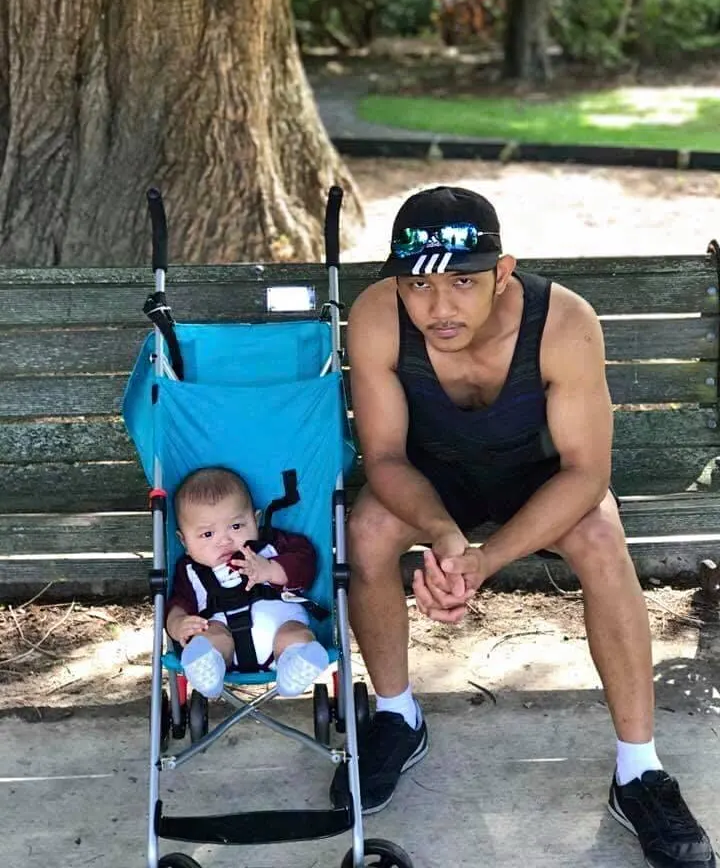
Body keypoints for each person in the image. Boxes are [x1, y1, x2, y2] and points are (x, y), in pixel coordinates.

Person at [330, 186, 716, 868]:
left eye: (462, 282)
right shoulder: (377, 317)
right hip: (434, 481)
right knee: (365, 529)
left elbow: (586, 474)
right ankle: (395, 716)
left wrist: (486, 559)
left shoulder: (563, 322)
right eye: (418, 284)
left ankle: (639, 771)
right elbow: (385, 458)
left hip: (539, 479)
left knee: (600, 535)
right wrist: (444, 534)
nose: (439, 307)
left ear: (502, 273)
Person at [166, 466, 329, 698]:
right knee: (209, 637)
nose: (224, 540)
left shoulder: (272, 546)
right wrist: (178, 624)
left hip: (282, 630)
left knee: (296, 634)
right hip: (224, 645)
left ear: (255, 520)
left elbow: (306, 563)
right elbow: (177, 604)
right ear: (184, 541)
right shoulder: (190, 571)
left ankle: (296, 666)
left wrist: (271, 569)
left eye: (236, 526)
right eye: (207, 534)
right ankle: (206, 667)